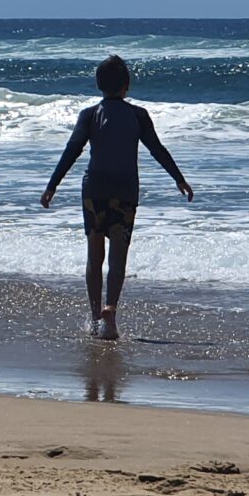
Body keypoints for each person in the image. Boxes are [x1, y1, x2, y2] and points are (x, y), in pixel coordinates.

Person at [40, 55, 193, 341]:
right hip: (125, 192)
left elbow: (72, 150)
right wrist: (179, 178)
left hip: (94, 190)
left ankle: (97, 317)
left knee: (94, 255)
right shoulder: (138, 115)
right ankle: (111, 310)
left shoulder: (89, 115)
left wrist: (52, 185)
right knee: (118, 257)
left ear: (99, 85)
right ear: (127, 85)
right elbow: (156, 149)